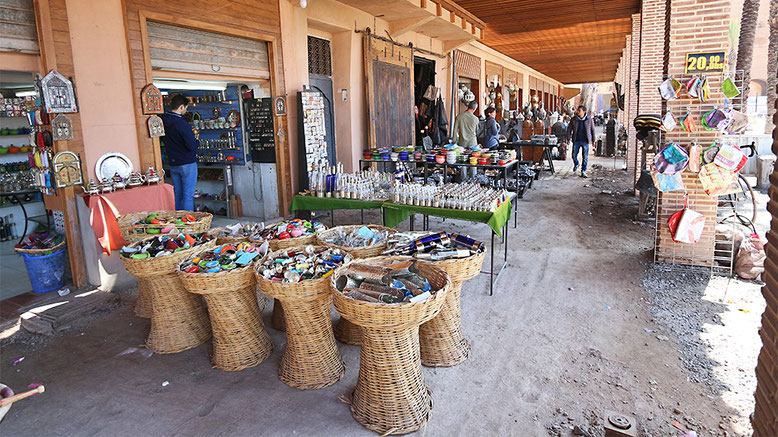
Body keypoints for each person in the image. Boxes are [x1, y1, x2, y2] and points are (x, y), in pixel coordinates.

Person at [160, 94, 199, 210]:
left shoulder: (163, 121)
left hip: (173, 162)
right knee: (188, 196)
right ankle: (189, 225)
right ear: (181, 107)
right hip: (187, 162)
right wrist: (197, 141)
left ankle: (178, 223)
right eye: (186, 108)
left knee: (177, 195)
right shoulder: (182, 124)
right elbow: (191, 145)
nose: (186, 111)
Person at [566, 105, 595, 178]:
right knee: (574, 155)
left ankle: (583, 170)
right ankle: (576, 163)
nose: (578, 112)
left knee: (585, 156)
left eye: (579, 111)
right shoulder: (574, 119)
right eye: (578, 111)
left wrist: (593, 140)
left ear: (584, 111)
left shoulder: (589, 119)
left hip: (585, 140)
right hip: (576, 140)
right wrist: (568, 138)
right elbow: (569, 129)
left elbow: (592, 130)